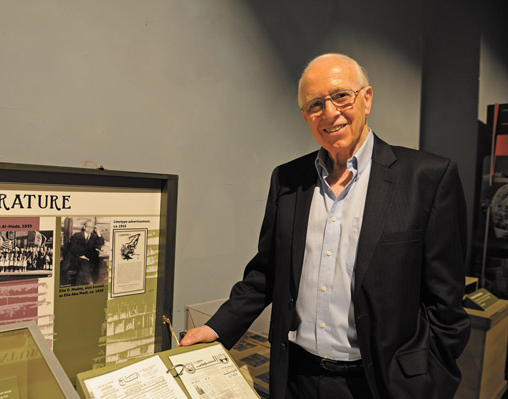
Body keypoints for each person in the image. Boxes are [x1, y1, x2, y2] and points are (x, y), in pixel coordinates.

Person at [181, 53, 471, 399]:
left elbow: (445, 304)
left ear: (366, 98)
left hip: (381, 383)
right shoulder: (288, 180)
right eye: (315, 104)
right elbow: (266, 272)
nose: (330, 113)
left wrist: (427, 380)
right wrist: (217, 327)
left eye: (340, 96)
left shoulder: (427, 178)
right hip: (297, 379)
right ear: (305, 116)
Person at [65, 219, 105, 285]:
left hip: (88, 260)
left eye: (91, 227)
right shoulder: (77, 235)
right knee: (85, 263)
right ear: (84, 227)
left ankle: (78, 287)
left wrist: (98, 233)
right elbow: (73, 248)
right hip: (77, 258)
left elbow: (101, 243)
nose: (89, 229)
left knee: (81, 272)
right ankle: (90, 282)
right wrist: (82, 255)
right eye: (88, 227)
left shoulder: (94, 237)